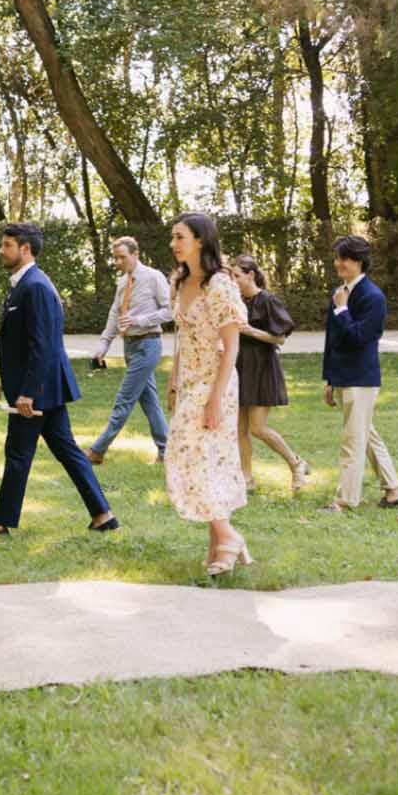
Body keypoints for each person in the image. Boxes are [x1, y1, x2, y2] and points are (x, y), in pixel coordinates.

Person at [0, 223, 118, 537]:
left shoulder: (35, 286)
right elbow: (25, 344)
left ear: (25, 249)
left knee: (18, 453)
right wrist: (12, 381)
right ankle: (103, 515)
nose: (1, 251)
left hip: (38, 391)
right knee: (66, 450)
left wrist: (27, 392)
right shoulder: (24, 283)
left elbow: (43, 344)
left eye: (7, 245)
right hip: (41, 387)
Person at [162, 215, 253, 575]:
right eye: (173, 237)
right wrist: (173, 379)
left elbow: (231, 345)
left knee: (185, 453)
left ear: (201, 240)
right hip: (189, 381)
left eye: (180, 237)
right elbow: (181, 338)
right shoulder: (180, 281)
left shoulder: (220, 285)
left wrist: (216, 397)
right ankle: (219, 544)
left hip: (217, 382)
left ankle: (227, 536)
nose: (173, 243)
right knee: (208, 458)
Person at [319, 235, 398, 512]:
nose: (338, 264)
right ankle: (394, 491)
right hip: (344, 375)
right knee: (366, 435)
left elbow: (360, 337)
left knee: (353, 440)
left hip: (361, 377)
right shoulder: (340, 292)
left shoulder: (373, 297)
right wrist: (329, 379)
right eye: (337, 258)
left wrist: (343, 309)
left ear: (359, 261)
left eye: (343, 258)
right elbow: (332, 339)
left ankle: (344, 500)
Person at [86, 235, 171, 466]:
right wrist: (103, 346)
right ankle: (167, 450)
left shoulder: (154, 277)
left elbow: (170, 310)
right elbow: (115, 314)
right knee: (149, 401)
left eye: (122, 257)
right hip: (130, 347)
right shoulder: (123, 282)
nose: (118, 262)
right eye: (116, 258)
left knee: (124, 399)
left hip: (148, 344)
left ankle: (97, 450)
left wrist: (140, 319)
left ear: (135, 254)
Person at [229, 253, 308, 491]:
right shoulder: (236, 301)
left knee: (257, 428)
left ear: (251, 275)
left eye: (236, 276)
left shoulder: (268, 300)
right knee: (239, 429)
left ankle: (296, 463)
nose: (233, 281)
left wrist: (250, 331)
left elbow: (280, 338)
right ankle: (246, 478)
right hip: (239, 366)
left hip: (262, 367)